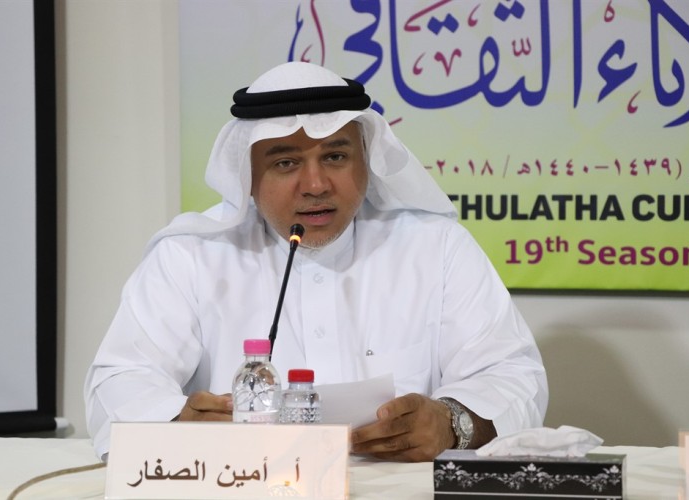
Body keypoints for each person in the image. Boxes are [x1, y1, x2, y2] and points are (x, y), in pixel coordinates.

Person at [84, 62, 548, 462]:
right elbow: (122, 378)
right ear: (248, 176)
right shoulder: (190, 255)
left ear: (365, 162)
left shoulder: (436, 247)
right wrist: (177, 424)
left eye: (336, 156)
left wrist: (452, 422)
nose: (316, 184)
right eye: (286, 163)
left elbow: (511, 375)